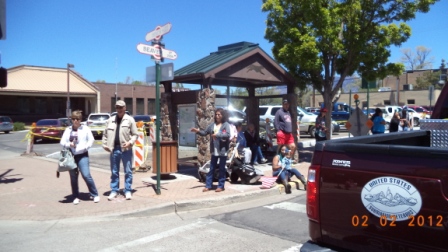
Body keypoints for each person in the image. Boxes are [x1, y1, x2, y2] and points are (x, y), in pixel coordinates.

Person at [60, 110, 99, 205]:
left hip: (82, 155)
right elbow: (62, 142)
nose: (75, 121)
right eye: (73, 119)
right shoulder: (68, 129)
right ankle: (75, 196)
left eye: (77, 119)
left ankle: (94, 194)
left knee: (86, 175)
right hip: (71, 156)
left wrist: (85, 147)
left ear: (80, 120)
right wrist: (69, 144)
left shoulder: (85, 129)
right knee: (73, 177)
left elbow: (91, 140)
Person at [102, 100, 138, 200]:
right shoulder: (110, 120)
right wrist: (104, 144)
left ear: (125, 108)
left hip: (126, 149)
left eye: (121, 107)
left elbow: (135, 134)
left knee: (128, 171)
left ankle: (128, 190)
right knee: (114, 171)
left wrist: (130, 142)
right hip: (114, 150)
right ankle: (114, 190)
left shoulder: (130, 120)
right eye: (117, 107)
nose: (119, 109)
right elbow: (105, 134)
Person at [191, 108, 230, 192]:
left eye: (219, 114)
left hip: (222, 150)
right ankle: (208, 185)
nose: (217, 116)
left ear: (222, 115)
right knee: (211, 168)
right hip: (214, 150)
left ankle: (221, 186)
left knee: (222, 168)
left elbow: (227, 134)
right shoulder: (212, 125)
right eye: (216, 114)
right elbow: (205, 132)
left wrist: (218, 135)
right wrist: (197, 131)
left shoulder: (225, 124)